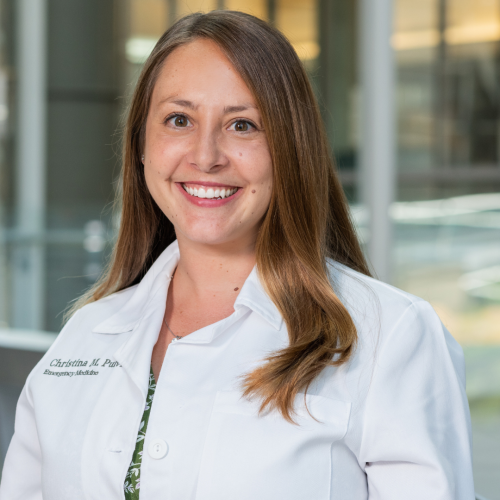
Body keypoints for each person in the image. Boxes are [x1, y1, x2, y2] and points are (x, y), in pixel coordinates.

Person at [0, 10, 474, 500]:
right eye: (179, 120)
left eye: (243, 125)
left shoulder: (391, 337)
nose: (206, 156)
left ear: (290, 148)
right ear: (142, 144)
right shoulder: (84, 337)